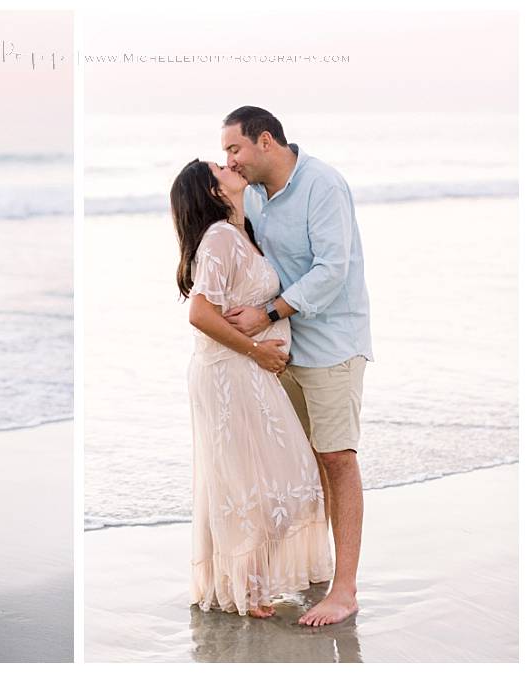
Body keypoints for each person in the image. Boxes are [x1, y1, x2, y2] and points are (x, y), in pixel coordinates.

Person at [220, 106, 372, 627]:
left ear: (265, 141)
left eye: (234, 149)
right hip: (283, 350)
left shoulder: (323, 185)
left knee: (337, 460)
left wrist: (266, 313)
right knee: (301, 465)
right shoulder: (255, 195)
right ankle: (312, 568)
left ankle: (345, 590)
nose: (229, 160)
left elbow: (334, 269)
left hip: (332, 344)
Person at [171, 158, 334, 619]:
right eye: (218, 166)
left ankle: (247, 580)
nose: (230, 164)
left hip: (245, 372)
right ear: (210, 190)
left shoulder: (242, 233)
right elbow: (199, 314)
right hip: (230, 373)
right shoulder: (220, 237)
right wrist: (256, 350)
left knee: (273, 476)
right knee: (257, 478)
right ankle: (245, 585)